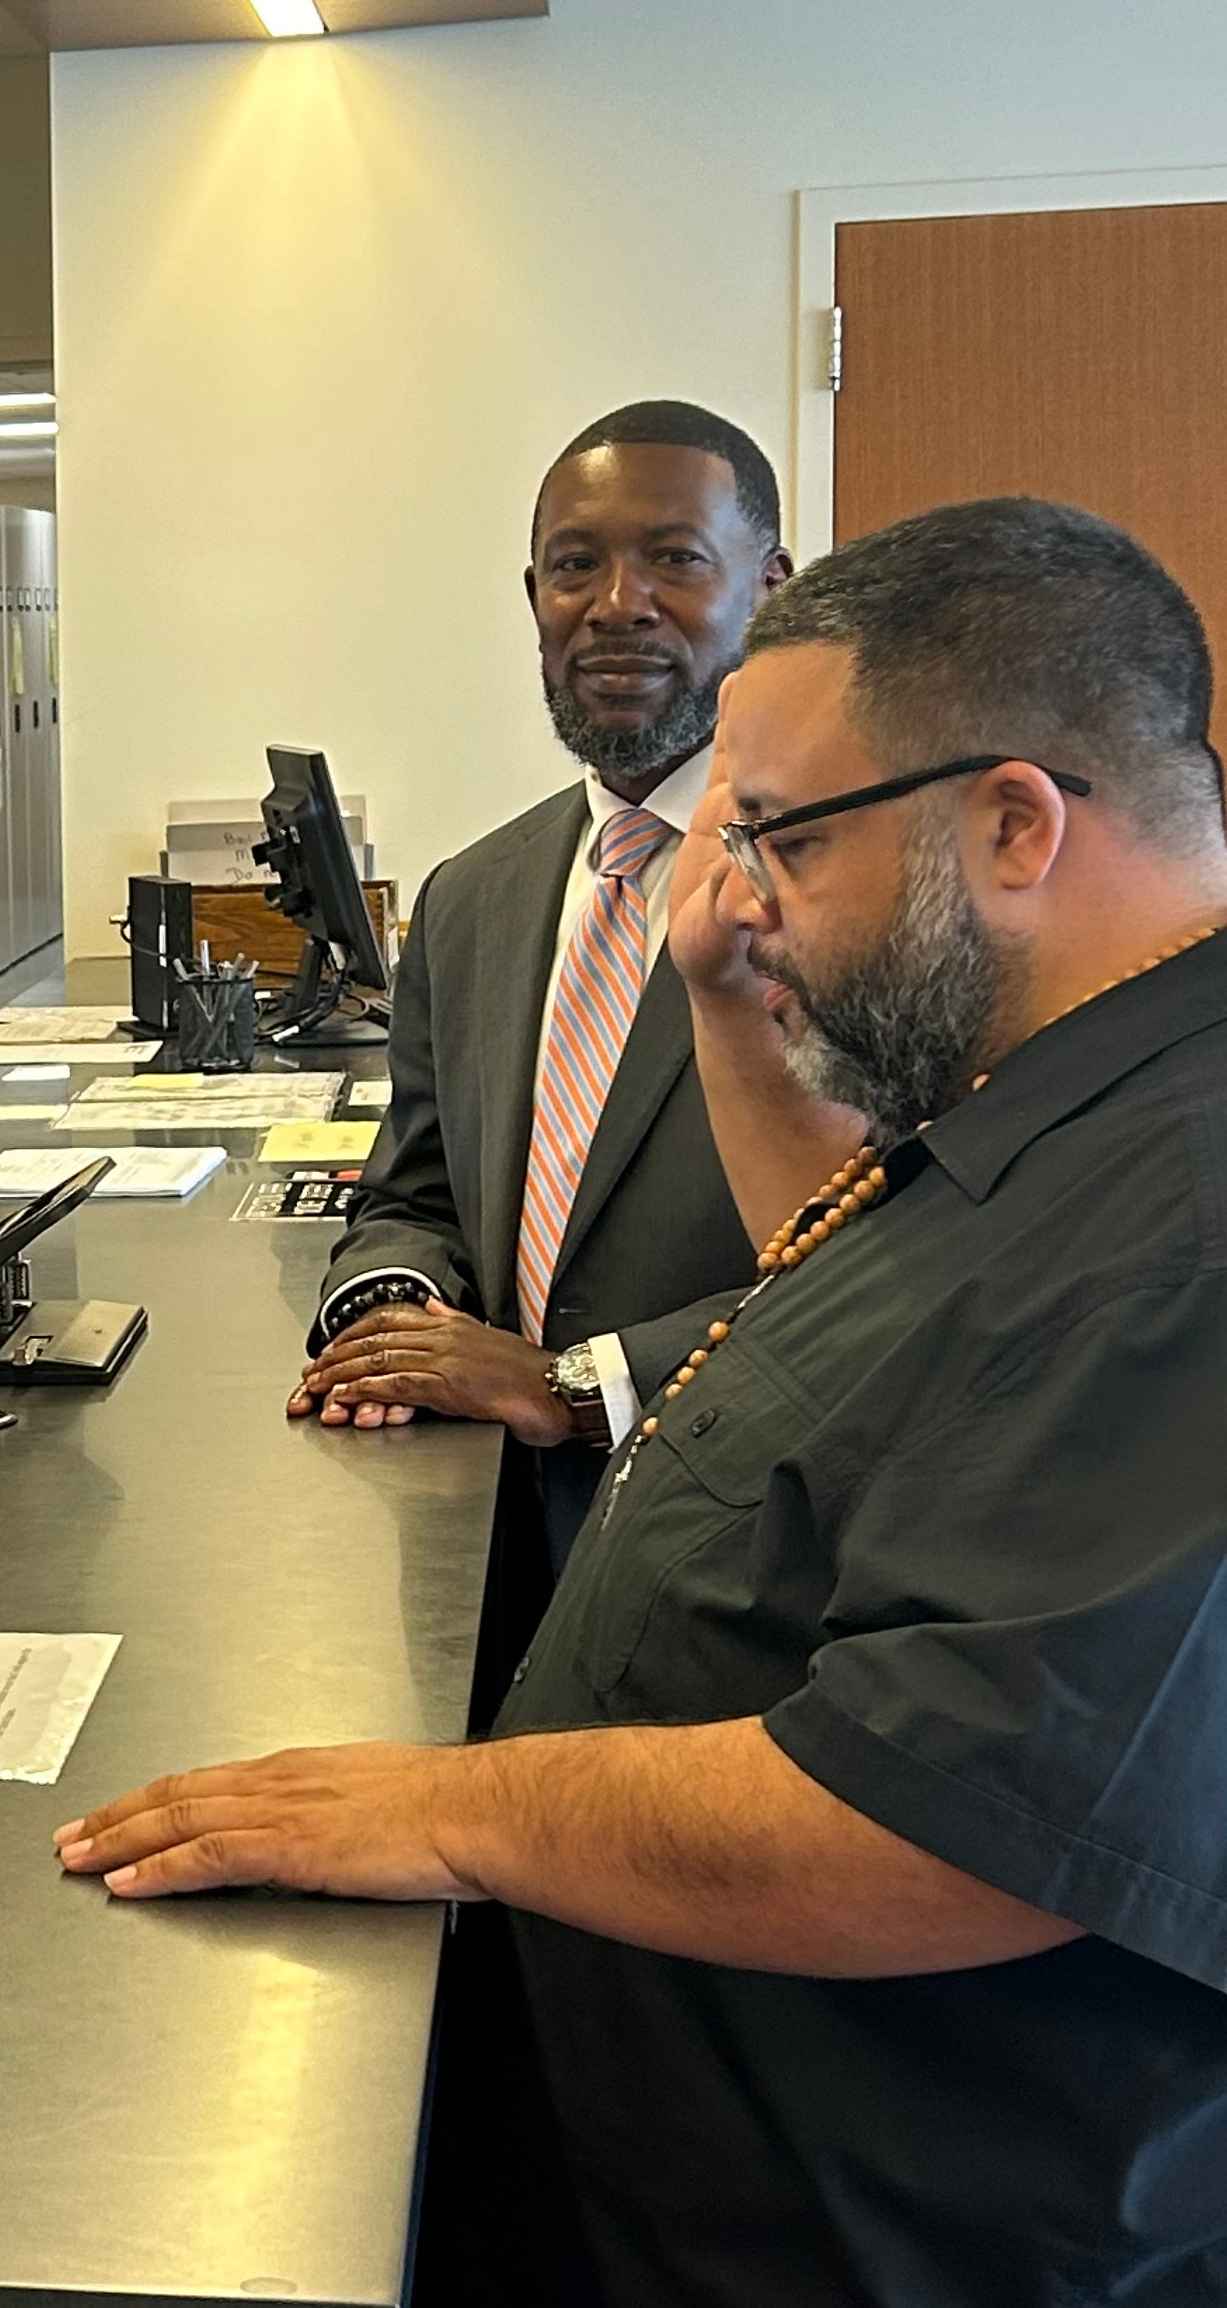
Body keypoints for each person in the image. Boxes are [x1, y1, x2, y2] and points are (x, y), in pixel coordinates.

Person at [62, 497, 1227, 2305]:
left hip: (892, 2228)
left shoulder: (1184, 1206)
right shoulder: (1048, 1082)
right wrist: (730, 1005)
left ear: (1009, 822)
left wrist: (452, 1810)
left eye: (777, 839)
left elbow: (957, 1821)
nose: (736, 887)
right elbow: (827, 1309)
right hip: (694, 2160)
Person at [293, 400, 849, 1608]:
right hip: (491, 1559)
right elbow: (417, 1191)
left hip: (749, 1570)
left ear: (772, 588)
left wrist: (581, 1383)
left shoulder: (853, 896)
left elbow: (890, 1260)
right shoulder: (472, 895)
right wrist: (392, 1321)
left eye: (674, 560)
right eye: (574, 565)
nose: (616, 604)